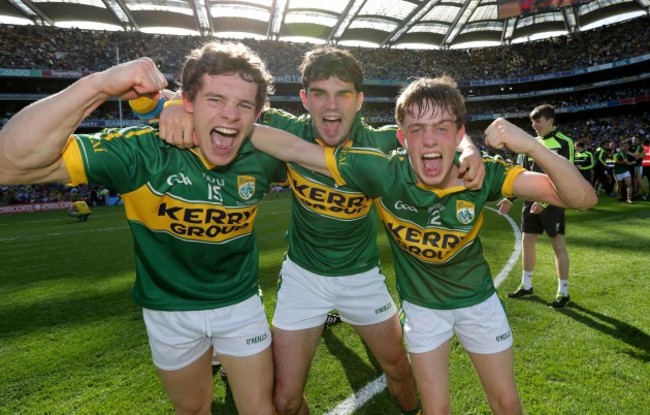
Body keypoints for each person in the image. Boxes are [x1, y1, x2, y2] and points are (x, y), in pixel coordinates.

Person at [155, 46, 485, 415]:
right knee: (283, 400)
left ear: (359, 100)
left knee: (399, 373)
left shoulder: (381, 141)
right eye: (319, 93)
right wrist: (169, 105)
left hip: (361, 277)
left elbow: (438, 134)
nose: (331, 106)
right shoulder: (285, 129)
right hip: (303, 278)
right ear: (304, 99)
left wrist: (470, 148)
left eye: (342, 94)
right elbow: (205, 108)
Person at [246, 75, 598, 415]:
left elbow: (582, 198)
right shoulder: (381, 172)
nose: (429, 141)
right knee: (436, 409)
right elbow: (293, 147)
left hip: (478, 303)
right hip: (423, 310)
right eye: (417, 130)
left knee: (507, 405)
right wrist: (205, 115)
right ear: (402, 138)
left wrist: (533, 146)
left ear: (459, 134)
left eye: (442, 128)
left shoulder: (480, 174)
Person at [0, 41, 287, 415]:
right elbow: (9, 164)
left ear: (257, 113)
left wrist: (160, 102)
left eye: (244, 105)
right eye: (215, 99)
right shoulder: (140, 153)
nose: (230, 115)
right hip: (167, 311)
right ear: (189, 101)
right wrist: (98, 85)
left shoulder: (263, 155)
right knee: (193, 409)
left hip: (239, 304)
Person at [501, 104, 577, 309]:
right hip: (529, 202)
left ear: (550, 121)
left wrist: (544, 202)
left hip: (553, 202)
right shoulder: (530, 144)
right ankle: (526, 286)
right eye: (532, 121)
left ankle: (563, 291)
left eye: (538, 121)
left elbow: (567, 175)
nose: (534, 125)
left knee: (558, 245)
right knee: (527, 243)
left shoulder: (564, 142)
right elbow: (520, 172)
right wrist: (509, 198)